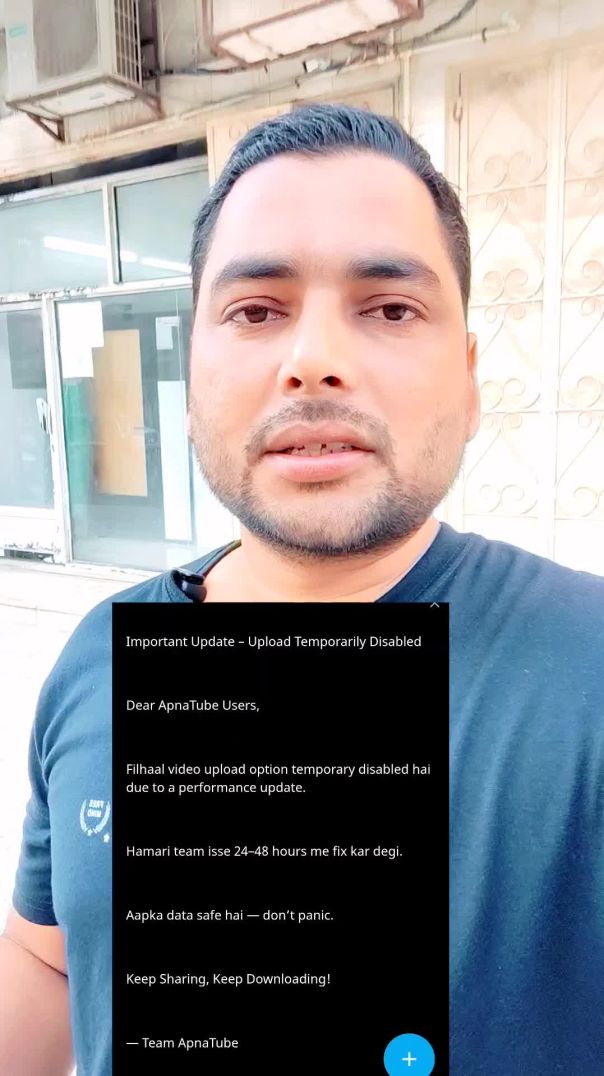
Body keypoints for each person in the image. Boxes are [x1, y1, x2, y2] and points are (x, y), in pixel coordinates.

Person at [1, 103, 602, 1076]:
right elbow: (49, 958)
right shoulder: (100, 657)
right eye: (255, 310)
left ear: (468, 379)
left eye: (389, 308)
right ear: (191, 378)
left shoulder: (589, 675)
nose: (313, 359)